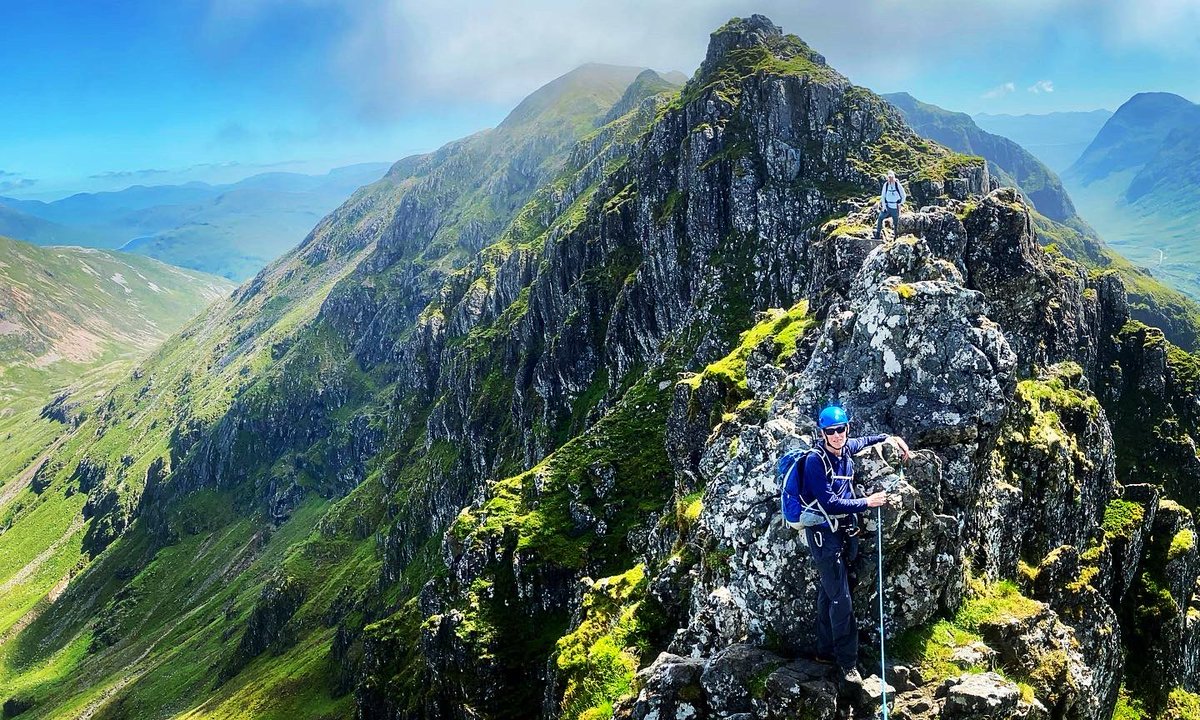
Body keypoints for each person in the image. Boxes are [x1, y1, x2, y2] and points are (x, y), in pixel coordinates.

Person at [800, 405, 909, 684]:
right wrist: (867, 502)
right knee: (841, 599)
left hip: (841, 532)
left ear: (847, 428)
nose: (837, 435)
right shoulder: (815, 461)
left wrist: (891, 438)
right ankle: (848, 664)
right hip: (823, 536)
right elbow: (829, 503)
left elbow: (867, 440)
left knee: (829, 593)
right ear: (822, 434)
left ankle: (824, 652)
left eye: (841, 429)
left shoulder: (846, 448)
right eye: (831, 431)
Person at [873, 170, 906, 240]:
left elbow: (904, 195)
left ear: (894, 177)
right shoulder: (886, 185)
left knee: (896, 223)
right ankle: (877, 235)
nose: (890, 179)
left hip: (895, 207)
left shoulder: (897, 185)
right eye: (889, 177)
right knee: (880, 218)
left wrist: (900, 203)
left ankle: (896, 237)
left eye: (891, 177)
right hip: (887, 206)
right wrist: (884, 206)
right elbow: (883, 196)